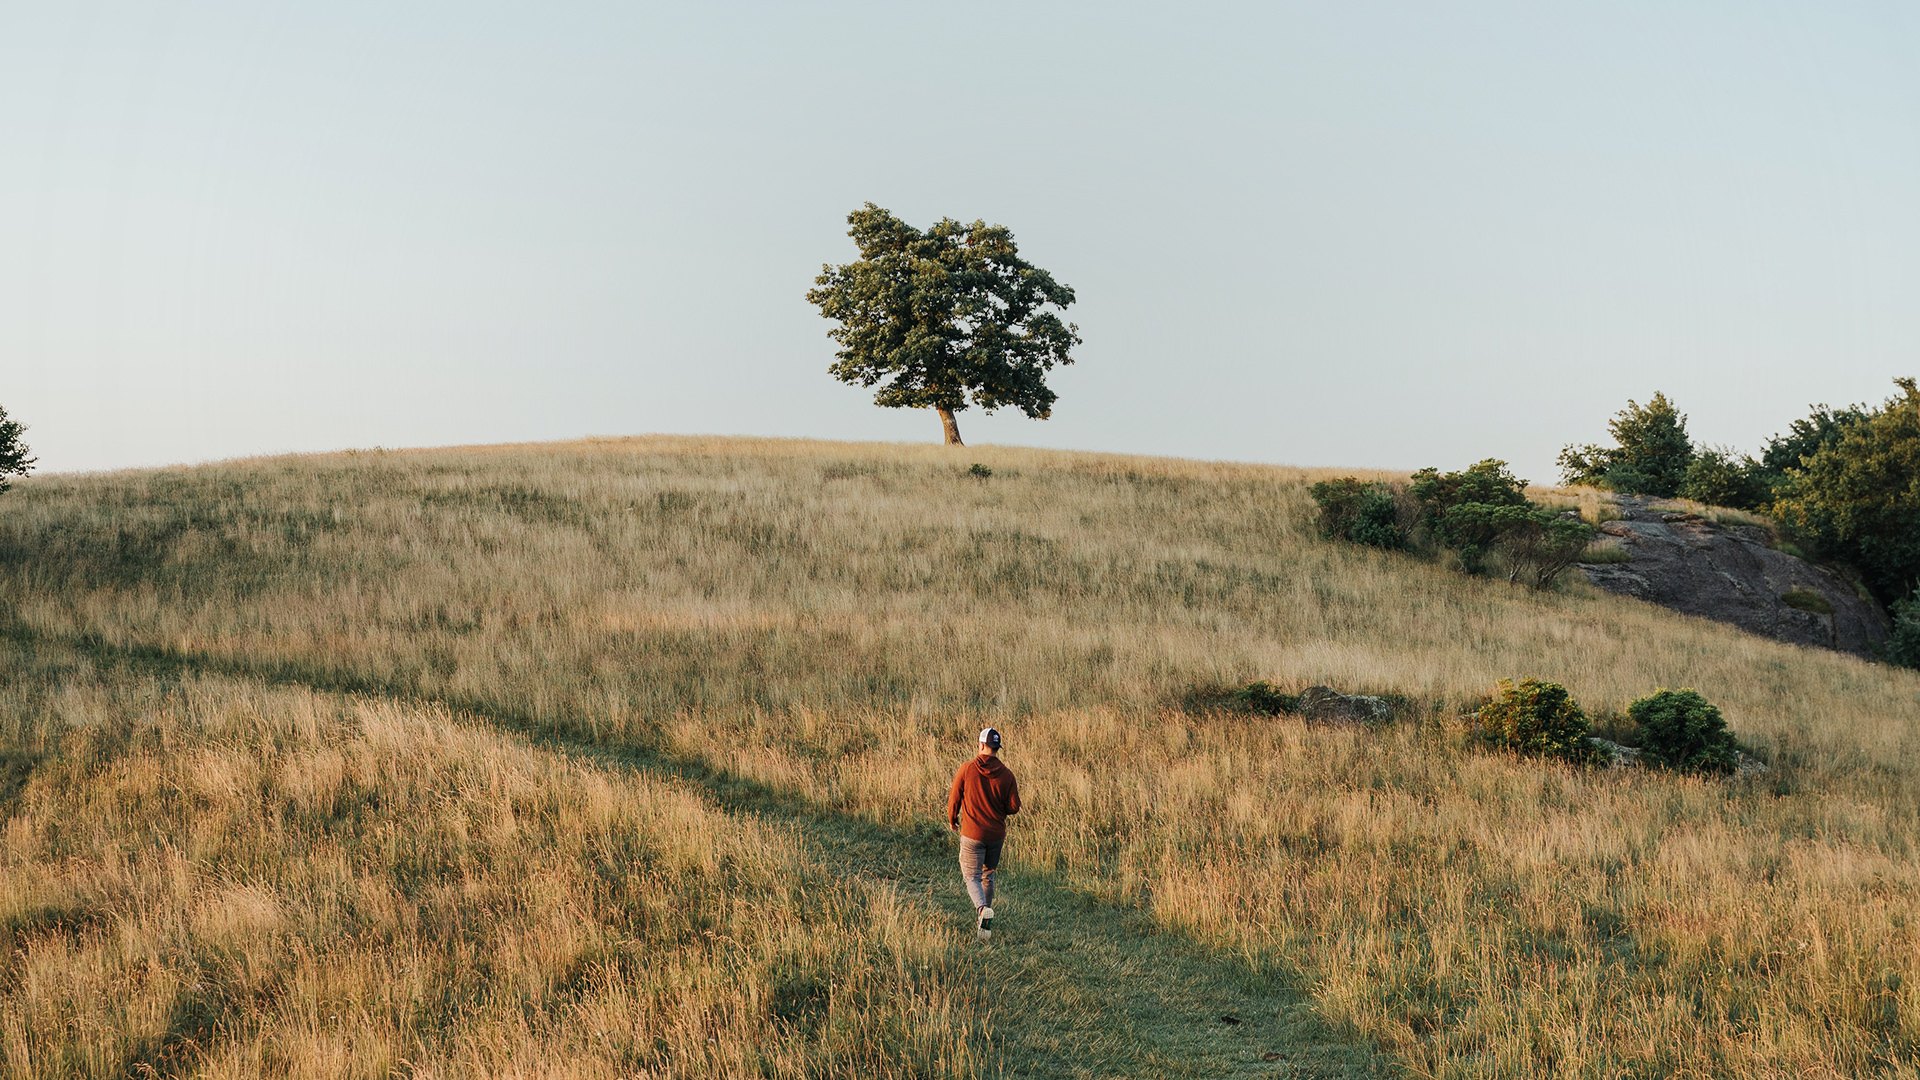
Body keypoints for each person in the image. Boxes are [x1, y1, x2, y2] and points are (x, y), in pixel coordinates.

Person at [947, 727, 1021, 942]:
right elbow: (1014, 806)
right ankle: (984, 925)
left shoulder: (967, 769)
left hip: (972, 834)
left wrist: (952, 818)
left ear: (980, 746)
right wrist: (999, 807)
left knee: (971, 876)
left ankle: (981, 910)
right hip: (996, 835)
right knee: (988, 875)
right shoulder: (1007, 775)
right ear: (997, 749)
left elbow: (954, 798)